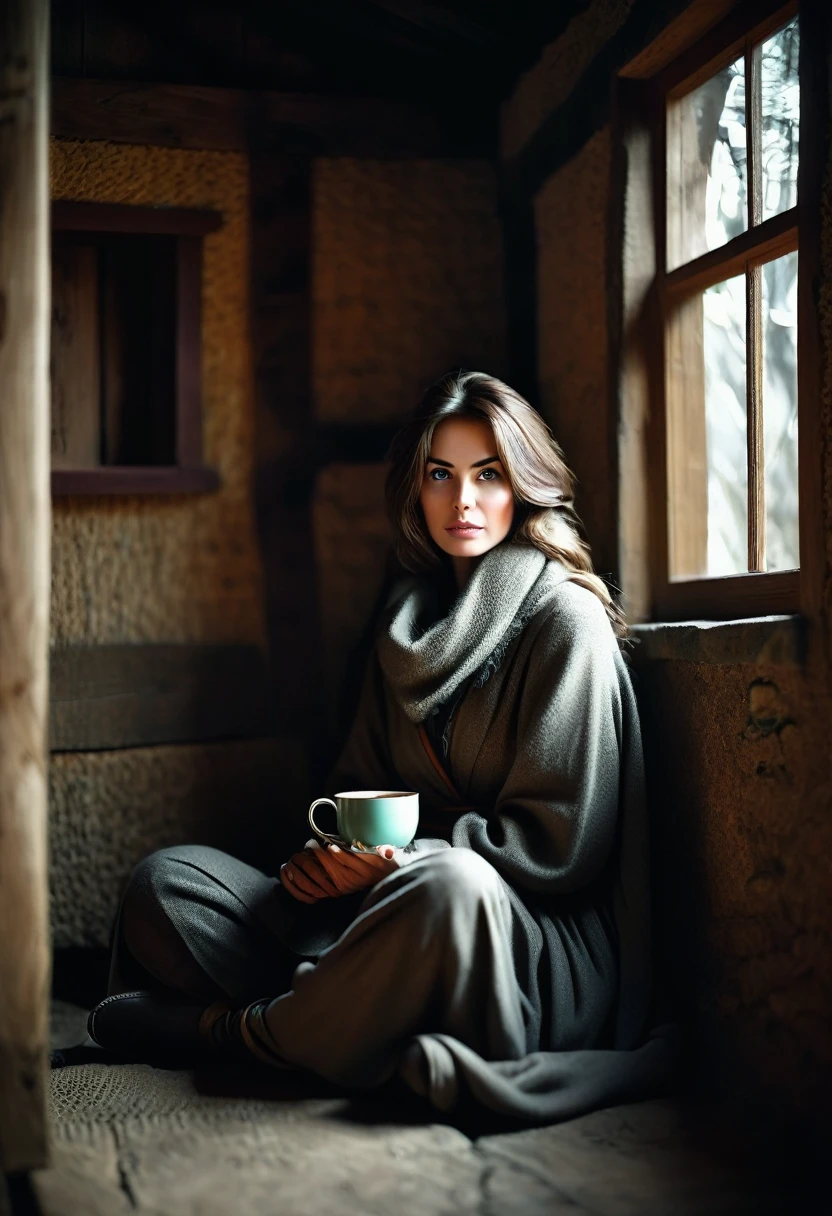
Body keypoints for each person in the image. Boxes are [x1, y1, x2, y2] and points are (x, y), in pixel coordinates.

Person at [83, 370, 675, 1122]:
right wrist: (326, 863)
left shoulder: (566, 623)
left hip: (516, 938)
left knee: (454, 885)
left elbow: (560, 850)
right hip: (372, 913)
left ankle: (235, 1035)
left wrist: (407, 860)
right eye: (441, 474)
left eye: (488, 475)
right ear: (415, 491)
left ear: (525, 485)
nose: (463, 500)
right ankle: (351, 1020)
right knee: (165, 887)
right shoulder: (404, 625)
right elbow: (353, 786)